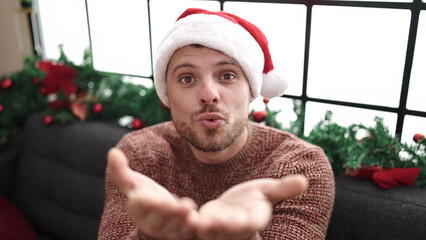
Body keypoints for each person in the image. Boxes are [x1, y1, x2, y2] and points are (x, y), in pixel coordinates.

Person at [98, 8, 335, 240]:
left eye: (227, 75)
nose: (209, 94)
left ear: (251, 91)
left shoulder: (301, 167)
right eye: (187, 78)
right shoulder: (137, 155)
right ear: (167, 95)